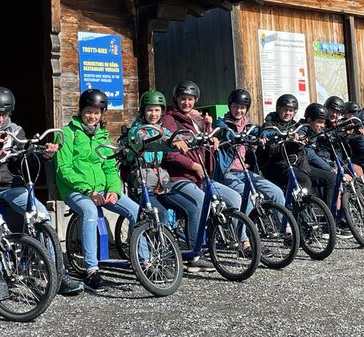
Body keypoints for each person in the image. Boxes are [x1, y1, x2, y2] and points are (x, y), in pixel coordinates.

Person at [0, 85, 84, 296]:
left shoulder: (16, 130)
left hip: (11, 186)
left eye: (5, 114)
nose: (0, 119)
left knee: (42, 214)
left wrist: (43, 154)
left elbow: (25, 160)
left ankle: (57, 271)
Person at [56, 88, 141, 291]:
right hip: (75, 190)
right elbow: (63, 169)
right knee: (90, 211)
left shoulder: (102, 136)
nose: (92, 116)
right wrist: (88, 191)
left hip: (102, 189)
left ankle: (143, 262)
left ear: (102, 114)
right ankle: (91, 270)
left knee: (136, 211)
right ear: (81, 110)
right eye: (88, 111)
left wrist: (114, 189)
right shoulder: (67, 133)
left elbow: (110, 167)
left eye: (96, 113)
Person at [123, 90, 209, 273]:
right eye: (149, 110)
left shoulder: (163, 129)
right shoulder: (137, 131)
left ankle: (195, 254)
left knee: (192, 207)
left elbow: (179, 136)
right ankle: (163, 260)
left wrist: (202, 139)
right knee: (160, 214)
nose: (153, 114)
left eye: (157, 110)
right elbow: (152, 141)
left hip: (162, 184)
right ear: (143, 111)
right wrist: (170, 142)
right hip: (143, 185)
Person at [161, 80, 245, 256]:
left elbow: (201, 147)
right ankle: (195, 253)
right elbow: (169, 154)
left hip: (200, 178)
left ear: (196, 100)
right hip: (178, 178)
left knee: (234, 197)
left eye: (190, 99)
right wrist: (193, 166)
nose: (186, 102)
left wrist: (210, 133)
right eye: (183, 98)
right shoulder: (170, 120)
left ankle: (241, 241)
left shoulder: (197, 119)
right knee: (199, 201)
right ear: (176, 99)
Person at [215, 88, 287, 209]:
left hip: (245, 171)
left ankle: (283, 222)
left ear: (247, 109)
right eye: (235, 107)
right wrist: (241, 137)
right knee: (247, 196)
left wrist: (281, 134)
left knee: (276, 193)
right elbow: (227, 134)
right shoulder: (221, 124)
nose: (239, 110)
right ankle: (246, 222)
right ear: (230, 106)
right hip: (227, 173)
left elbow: (262, 132)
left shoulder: (248, 126)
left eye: (242, 107)